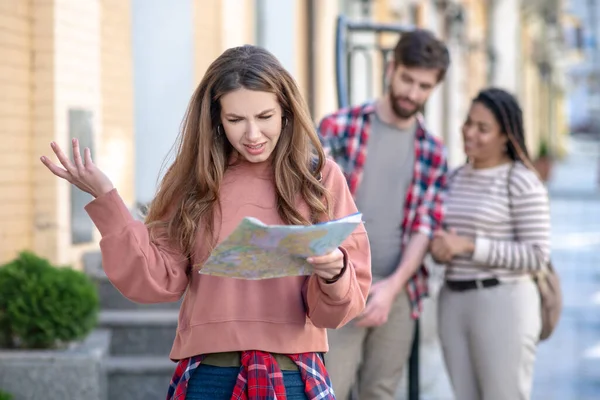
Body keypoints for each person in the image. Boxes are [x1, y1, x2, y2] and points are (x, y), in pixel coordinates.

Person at [40, 45, 372, 400]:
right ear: (215, 117)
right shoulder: (193, 180)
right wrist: (108, 200)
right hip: (209, 375)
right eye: (235, 120)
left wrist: (335, 272)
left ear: (286, 112)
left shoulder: (319, 178)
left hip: (292, 373)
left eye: (265, 116)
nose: (253, 134)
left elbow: (338, 310)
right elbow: (156, 280)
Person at [317, 29, 450, 399]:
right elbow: (312, 207)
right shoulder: (338, 129)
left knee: (381, 392)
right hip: (339, 283)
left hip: (399, 289)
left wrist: (391, 289)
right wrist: (344, 278)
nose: (412, 93)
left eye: (424, 86)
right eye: (407, 79)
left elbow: (425, 227)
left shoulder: (433, 152)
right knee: (330, 389)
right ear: (391, 69)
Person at [431, 87, 550, 400]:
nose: (470, 132)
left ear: (505, 137)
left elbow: (537, 255)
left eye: (483, 128)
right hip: (453, 302)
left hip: (503, 302)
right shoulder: (454, 178)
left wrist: (469, 246)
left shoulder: (521, 181)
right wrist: (441, 248)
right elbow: (445, 236)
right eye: (468, 123)